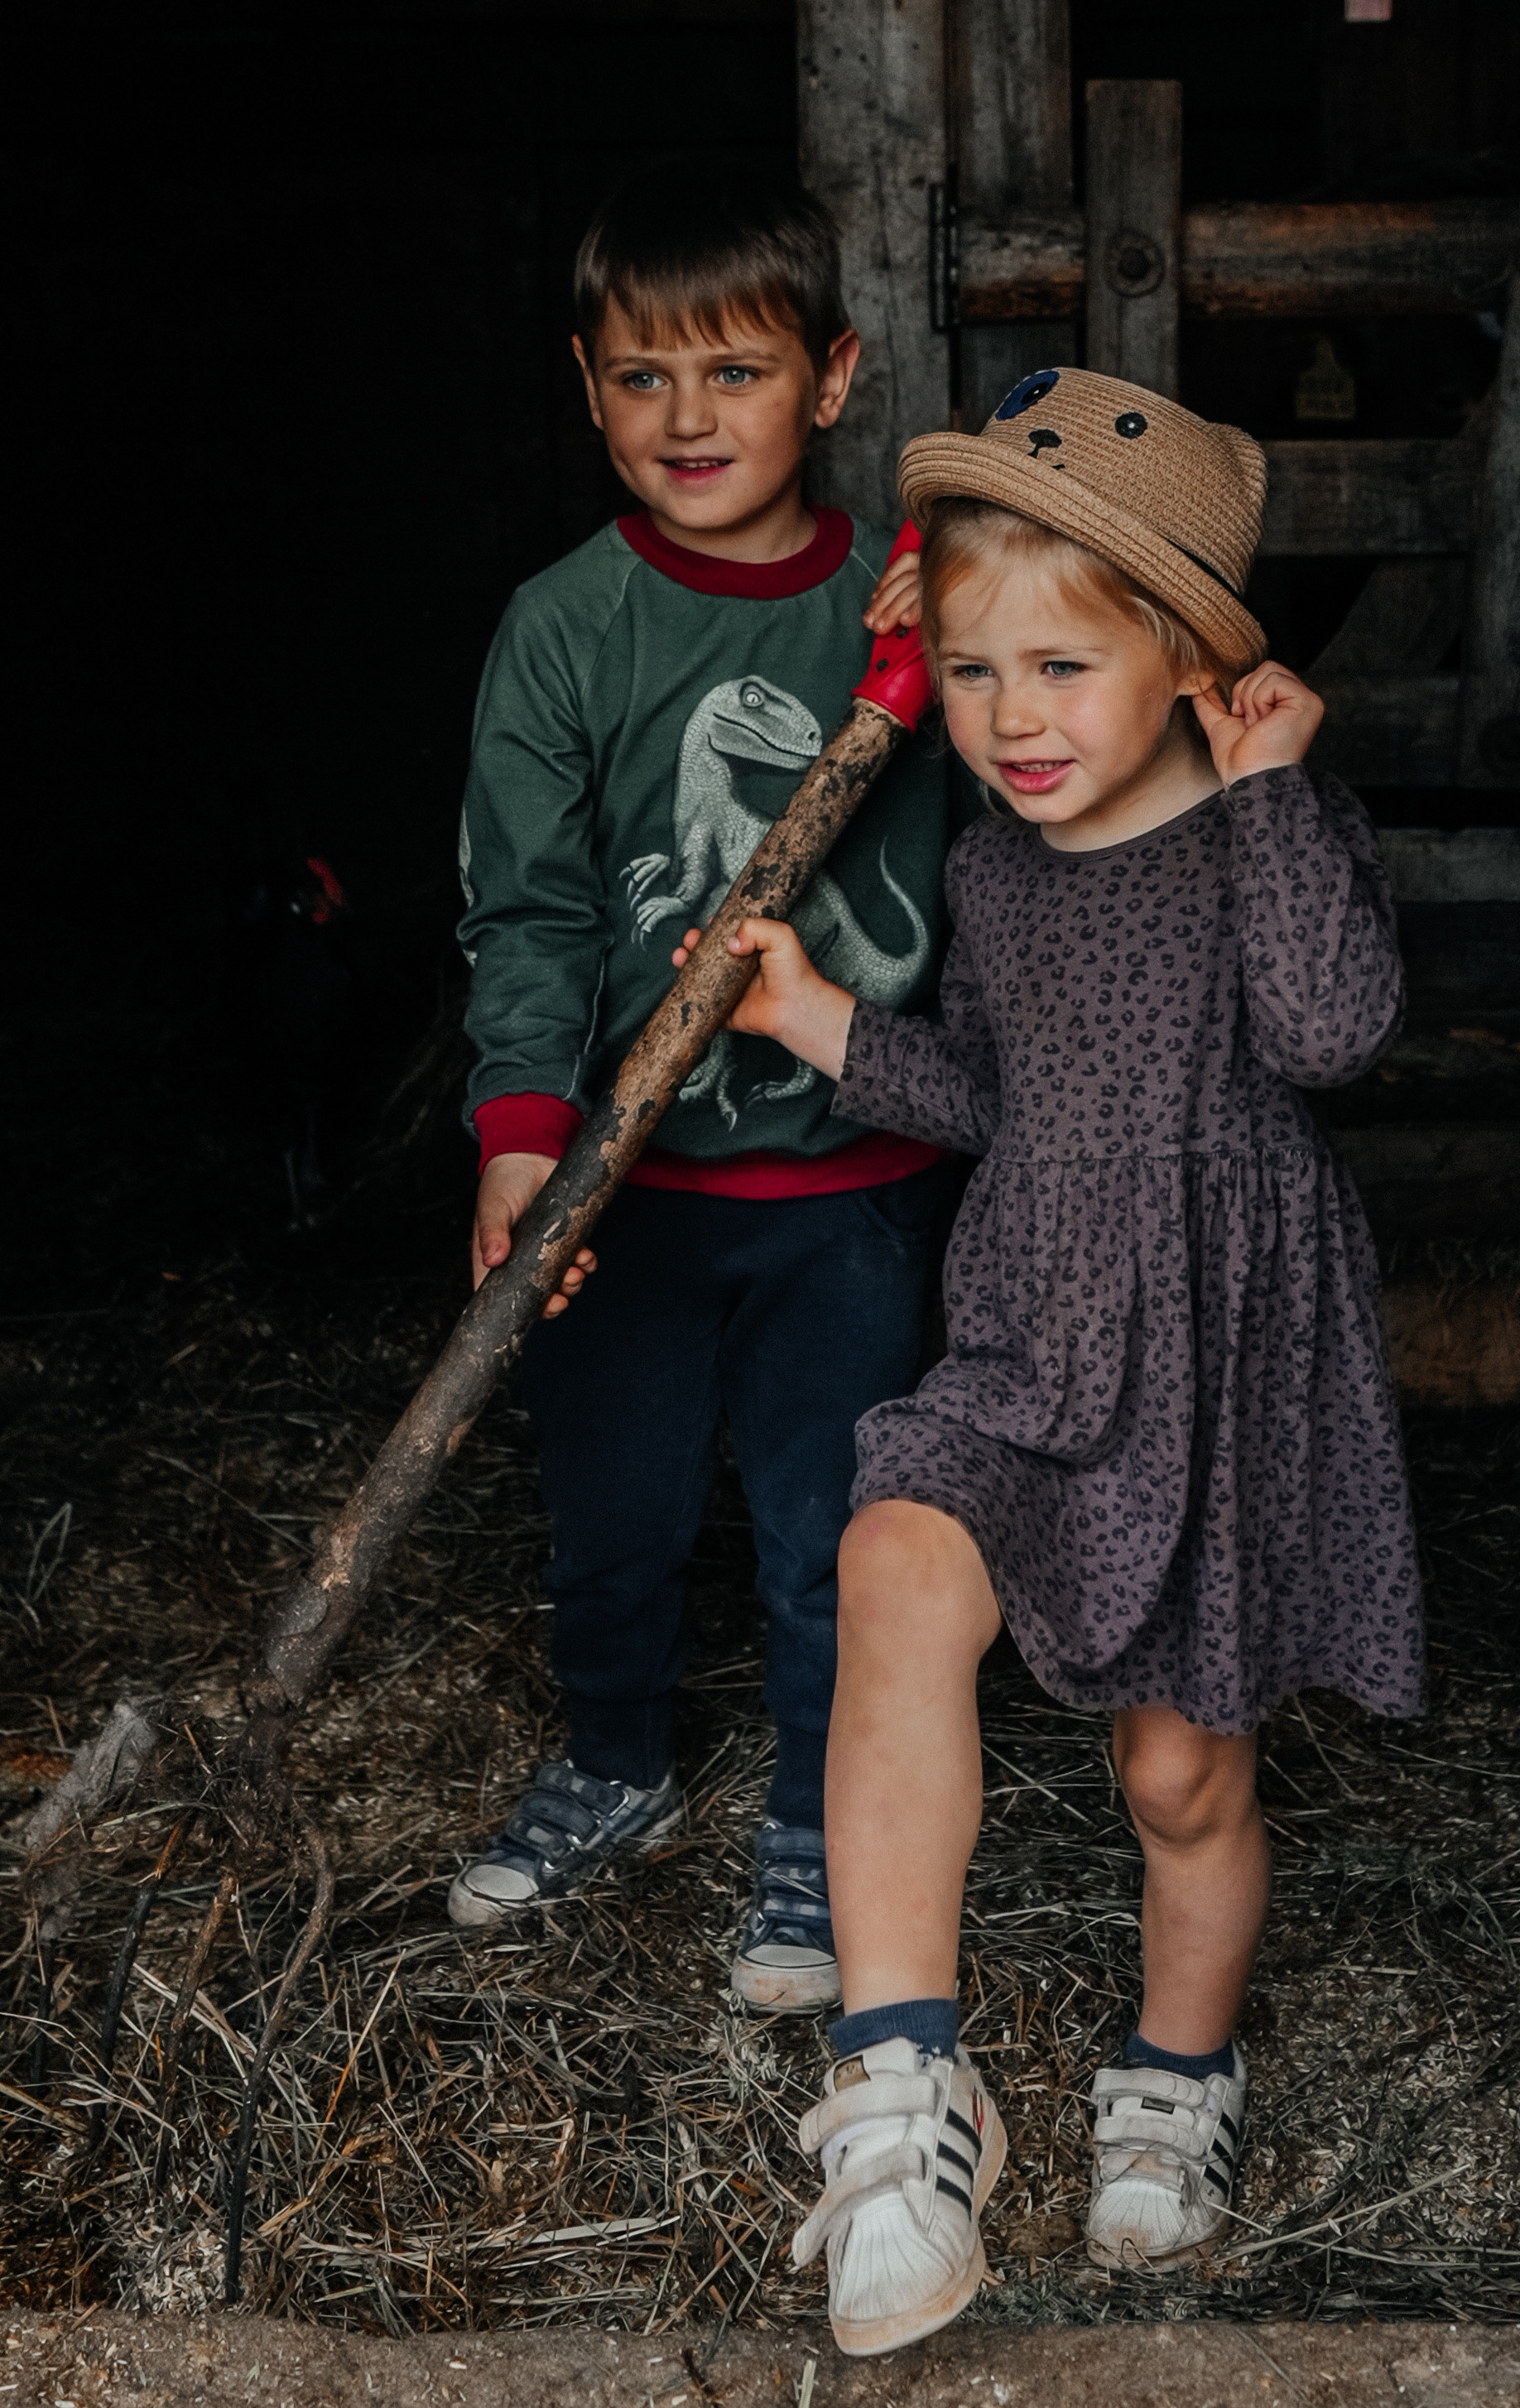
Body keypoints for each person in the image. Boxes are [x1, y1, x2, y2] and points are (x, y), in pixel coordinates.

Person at [683, 365, 1426, 2355]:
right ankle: (901, 2099)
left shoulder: (1273, 834)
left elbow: (1334, 1030)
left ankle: (1177, 2078)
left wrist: (1272, 789)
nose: (1013, 717)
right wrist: (823, 1019)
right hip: (1029, 1334)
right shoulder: (998, 870)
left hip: (1218, 1354)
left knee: (1181, 1773)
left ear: (1192, 658)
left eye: (1065, 666)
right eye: (979, 669)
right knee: (892, 1552)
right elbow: (1007, 1097)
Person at [450, 168, 967, 2012]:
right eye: (641, 374)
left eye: (734, 371)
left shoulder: (912, 614)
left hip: (853, 1182)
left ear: (832, 378)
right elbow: (526, 906)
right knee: (615, 1510)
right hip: (627, 1186)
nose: (688, 416)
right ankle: (615, 1756)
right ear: (586, 384)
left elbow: (1053, 761)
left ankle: (827, 1827)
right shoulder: (565, 626)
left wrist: (962, 635)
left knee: (838, 1537)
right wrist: (525, 1139)